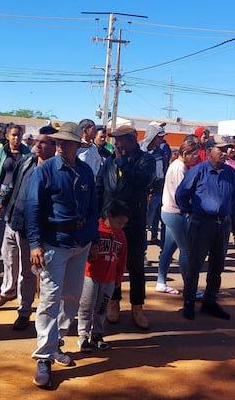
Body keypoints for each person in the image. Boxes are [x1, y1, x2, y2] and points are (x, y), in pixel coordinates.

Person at [26, 122, 98, 388]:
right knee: (49, 299)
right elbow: (33, 208)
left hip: (81, 244)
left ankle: (57, 343)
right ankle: (44, 356)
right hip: (54, 243)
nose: (60, 146)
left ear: (78, 146)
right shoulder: (44, 171)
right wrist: (35, 244)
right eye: (59, 142)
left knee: (72, 297)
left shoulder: (86, 171)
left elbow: (93, 207)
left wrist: (93, 235)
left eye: (66, 142)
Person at [0, 125, 58, 331]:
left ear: (55, 146)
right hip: (12, 221)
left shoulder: (55, 169)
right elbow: (11, 185)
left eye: (43, 142)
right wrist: (1, 201)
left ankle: (24, 311)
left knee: (27, 273)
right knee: (9, 263)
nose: (37, 145)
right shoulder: (27, 160)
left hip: (31, 230)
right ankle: (7, 292)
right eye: (37, 141)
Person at [97, 125, 155, 329]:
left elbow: (144, 180)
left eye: (120, 140)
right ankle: (114, 303)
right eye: (115, 140)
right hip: (110, 222)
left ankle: (137, 307)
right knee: (111, 264)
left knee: (136, 266)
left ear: (132, 140)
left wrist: (123, 163)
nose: (116, 143)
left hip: (134, 222)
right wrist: (99, 214)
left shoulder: (146, 160)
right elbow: (100, 186)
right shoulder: (109, 161)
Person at [176, 135, 235, 321]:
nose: (225, 154)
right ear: (209, 152)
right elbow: (181, 194)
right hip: (202, 223)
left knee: (217, 264)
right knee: (195, 264)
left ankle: (210, 301)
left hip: (223, 223)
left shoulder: (229, 172)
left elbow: (233, 196)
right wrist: (189, 212)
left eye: (226, 150)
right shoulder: (198, 171)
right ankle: (189, 301)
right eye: (221, 150)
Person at [77, 200, 129, 352]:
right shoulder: (95, 230)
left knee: (102, 308)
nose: (120, 226)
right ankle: (83, 336)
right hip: (90, 275)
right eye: (118, 222)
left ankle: (97, 334)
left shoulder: (121, 235)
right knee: (86, 306)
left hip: (109, 279)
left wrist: (118, 278)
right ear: (109, 216)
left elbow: (122, 258)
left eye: (123, 224)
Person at [0, 123, 30, 283]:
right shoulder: (0, 153)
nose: (16, 138)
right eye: (13, 135)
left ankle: (15, 273)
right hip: (1, 194)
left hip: (19, 196)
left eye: (19, 135)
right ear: (7, 136)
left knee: (17, 235)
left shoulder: (27, 154)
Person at [157, 139, 202, 294]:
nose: (196, 157)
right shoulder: (179, 167)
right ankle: (190, 288)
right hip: (175, 213)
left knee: (169, 248)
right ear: (185, 153)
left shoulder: (177, 166)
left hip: (170, 211)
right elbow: (180, 194)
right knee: (186, 250)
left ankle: (161, 281)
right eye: (194, 154)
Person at [142, 123, 167, 246]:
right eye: (159, 137)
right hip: (146, 194)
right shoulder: (142, 151)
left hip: (160, 191)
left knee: (156, 222)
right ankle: (143, 251)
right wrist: (149, 192)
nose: (162, 139)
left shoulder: (161, 152)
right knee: (144, 223)